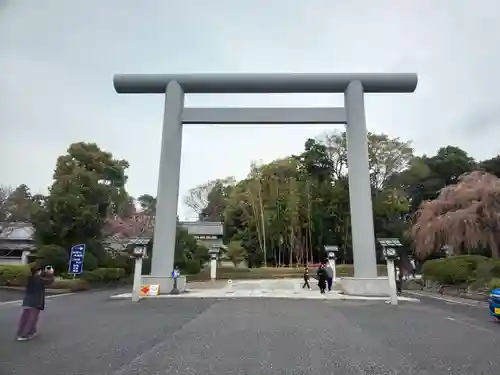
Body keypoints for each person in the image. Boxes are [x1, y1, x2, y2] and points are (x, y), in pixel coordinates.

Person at [17, 263, 54, 341]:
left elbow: (41, 277)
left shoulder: (30, 277)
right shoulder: (39, 279)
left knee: (25, 317)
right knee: (31, 318)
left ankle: (25, 332)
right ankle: (25, 335)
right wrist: (50, 273)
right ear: (39, 271)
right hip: (35, 301)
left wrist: (44, 272)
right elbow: (49, 281)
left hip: (27, 300)